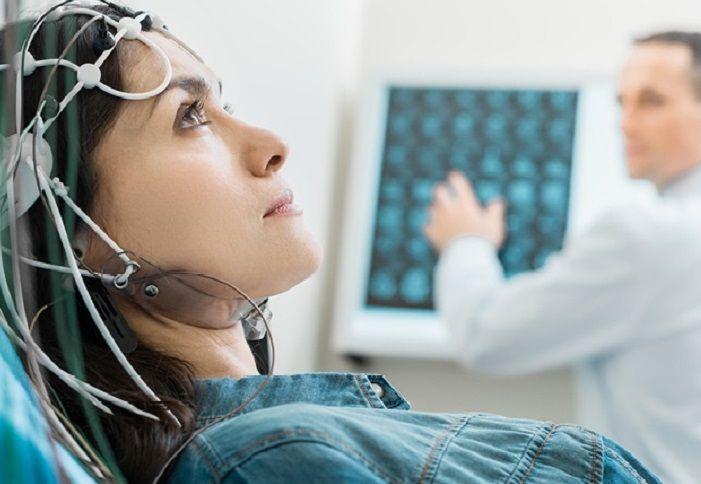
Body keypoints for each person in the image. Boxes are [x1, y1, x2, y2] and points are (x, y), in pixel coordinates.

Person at [1, 2, 660, 482]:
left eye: (225, 106)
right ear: (74, 234)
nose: (272, 145)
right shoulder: (268, 461)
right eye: (191, 116)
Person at [424, 31, 701, 484]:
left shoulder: (647, 235)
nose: (626, 123)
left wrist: (465, 242)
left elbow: (485, 336)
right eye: (622, 103)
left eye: (652, 101)